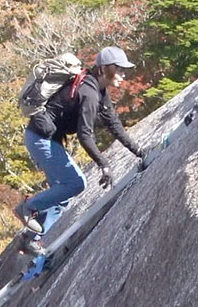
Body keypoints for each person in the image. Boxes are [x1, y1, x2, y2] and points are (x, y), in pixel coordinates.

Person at [14, 46, 147, 235]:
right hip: (40, 139)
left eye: (123, 70)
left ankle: (34, 239)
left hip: (44, 138)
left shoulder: (98, 90)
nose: (122, 75)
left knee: (61, 196)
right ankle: (27, 207)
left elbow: (114, 124)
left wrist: (140, 151)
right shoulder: (90, 93)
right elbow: (84, 134)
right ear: (103, 69)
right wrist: (104, 165)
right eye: (118, 69)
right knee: (76, 184)